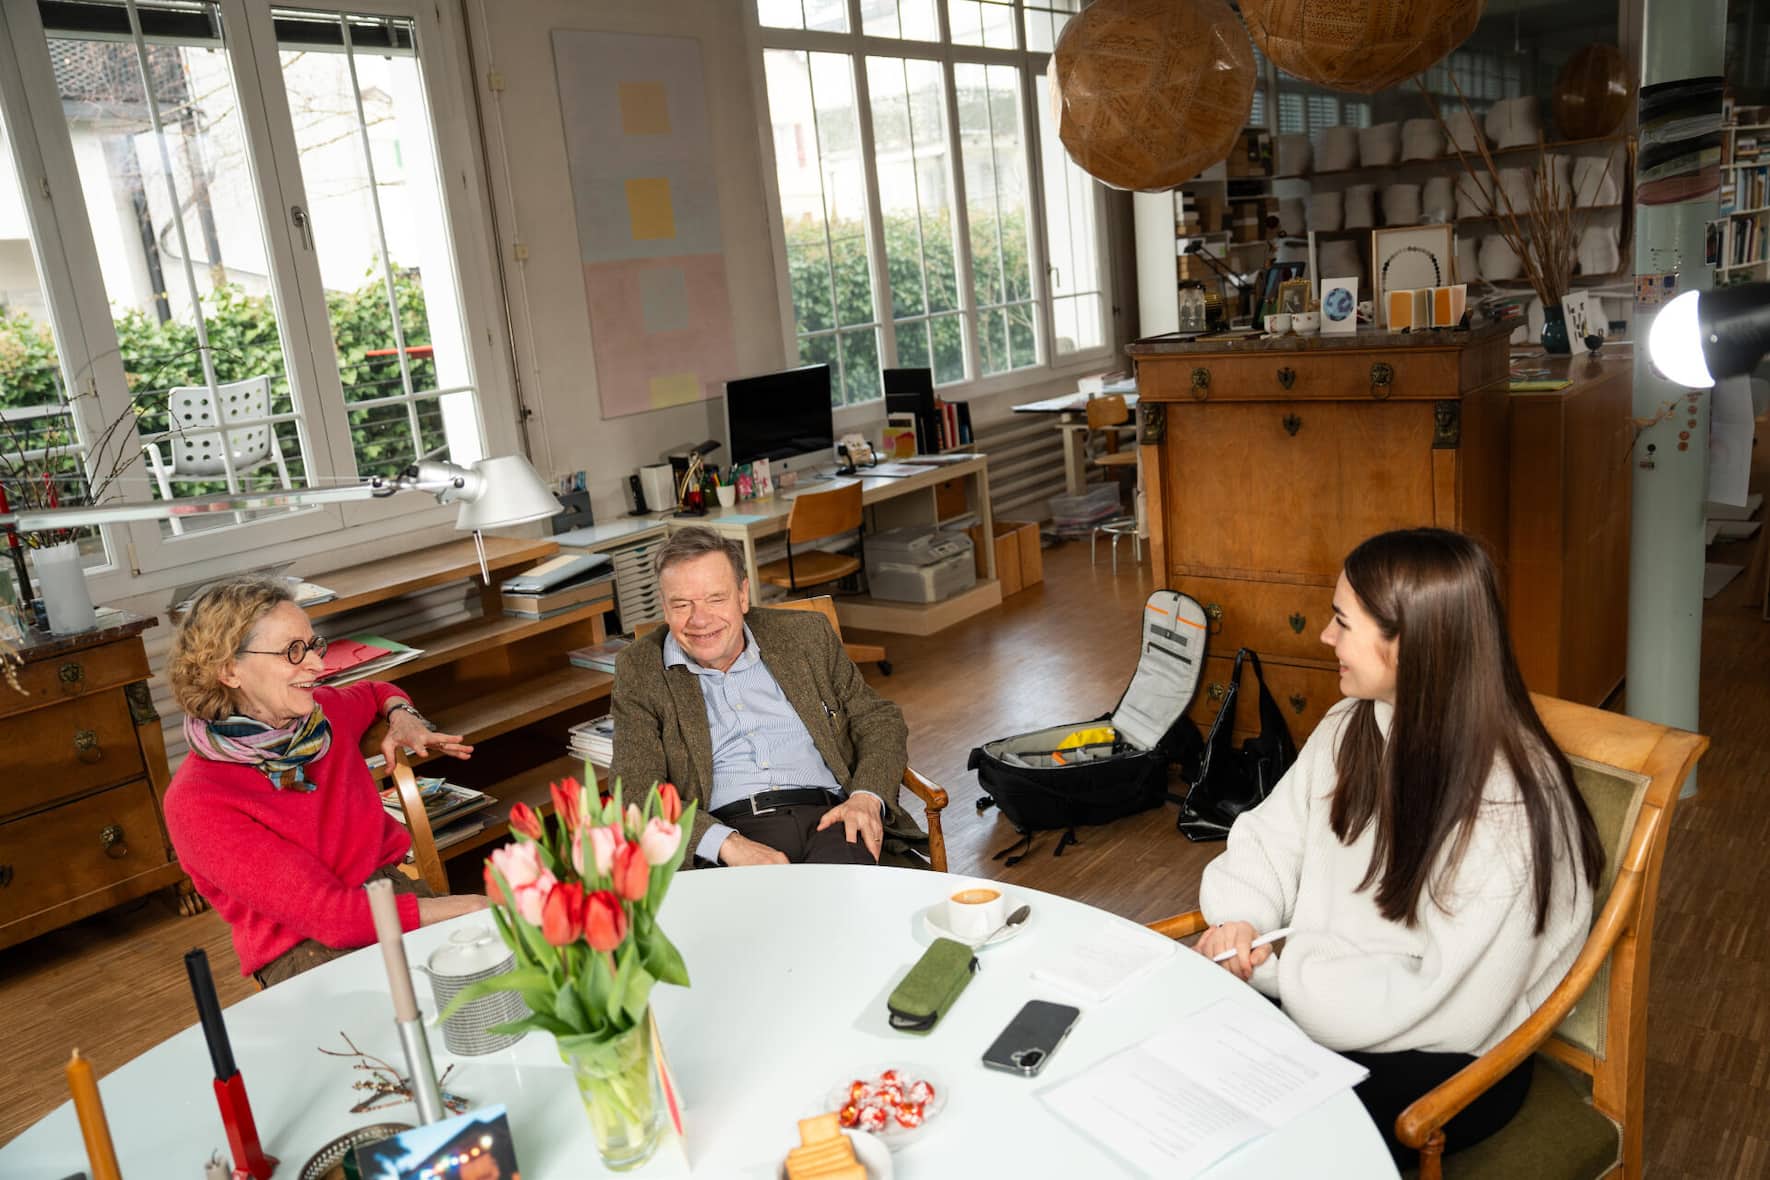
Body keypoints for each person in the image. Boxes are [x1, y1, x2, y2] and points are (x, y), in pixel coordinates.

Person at [1194, 528, 1603, 1165]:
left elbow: (1449, 1003)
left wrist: (1281, 971)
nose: (1325, 638)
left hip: (1450, 1060)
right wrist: (1243, 916)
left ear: (1412, 642)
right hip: (1333, 1017)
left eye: (1342, 622)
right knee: (1180, 1072)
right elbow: (1271, 840)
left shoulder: (1504, 801)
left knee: (1247, 1144)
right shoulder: (1349, 728)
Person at [164, 576, 488, 986]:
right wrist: (472, 905)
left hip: (390, 896)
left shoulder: (320, 719)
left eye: (313, 645)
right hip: (304, 952)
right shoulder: (198, 801)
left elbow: (373, 691)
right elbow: (331, 917)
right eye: (293, 652)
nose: (318, 665)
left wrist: (402, 715)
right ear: (229, 669)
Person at [611, 526, 926, 867]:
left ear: (742, 595)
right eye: (682, 604)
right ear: (665, 606)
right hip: (728, 834)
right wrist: (727, 844)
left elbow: (878, 719)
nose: (700, 620)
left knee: (844, 901)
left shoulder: (804, 635)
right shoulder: (640, 668)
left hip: (831, 818)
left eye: (716, 598)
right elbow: (634, 788)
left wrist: (866, 797)